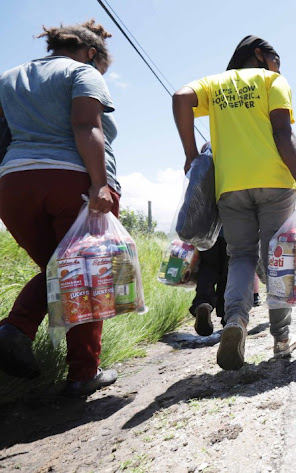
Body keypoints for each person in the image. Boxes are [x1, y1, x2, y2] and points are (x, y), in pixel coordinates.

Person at [172, 35, 296, 370]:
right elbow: (283, 133)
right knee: (277, 258)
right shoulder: (272, 82)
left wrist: (191, 154)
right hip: (274, 182)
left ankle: (235, 322)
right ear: (260, 55)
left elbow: (181, 97)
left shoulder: (215, 85)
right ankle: (281, 340)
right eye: (276, 59)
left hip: (230, 185)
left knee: (241, 257)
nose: (279, 66)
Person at [0, 20, 120, 396]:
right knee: (87, 273)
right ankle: (83, 372)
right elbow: (87, 125)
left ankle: (15, 331)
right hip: (72, 182)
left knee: (60, 270)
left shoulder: (9, 77)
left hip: (13, 184)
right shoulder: (81, 72)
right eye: (101, 65)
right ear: (90, 53)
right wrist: (100, 182)